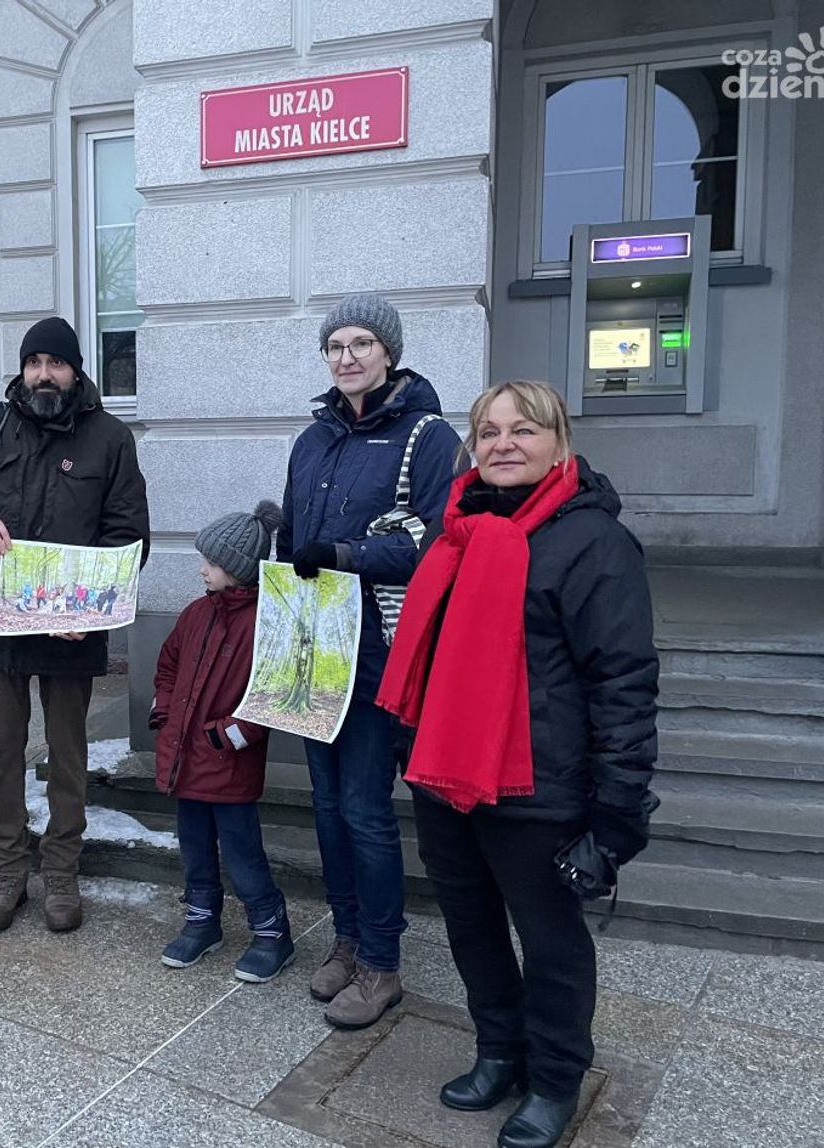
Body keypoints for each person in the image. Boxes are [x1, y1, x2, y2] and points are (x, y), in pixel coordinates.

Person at [376, 381, 659, 1148]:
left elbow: (623, 682)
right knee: (472, 928)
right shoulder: (454, 531)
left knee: (551, 940)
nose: (503, 444)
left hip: (538, 782)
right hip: (445, 773)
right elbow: (427, 656)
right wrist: (407, 745)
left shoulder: (593, 542)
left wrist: (618, 809)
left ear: (559, 441)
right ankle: (499, 1050)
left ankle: (556, 1078)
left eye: (523, 430)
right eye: (489, 431)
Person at [276, 292, 463, 1030]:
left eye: (360, 344)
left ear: (389, 351)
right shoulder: (311, 439)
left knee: (363, 808)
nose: (346, 357)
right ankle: (347, 939)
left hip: (378, 649)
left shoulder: (427, 435)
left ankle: (382, 963)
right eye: (335, 346)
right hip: (314, 646)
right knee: (326, 806)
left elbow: (439, 540)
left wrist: (348, 554)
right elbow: (295, 542)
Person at [0, 317, 150, 933]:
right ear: (23, 370)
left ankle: (61, 872)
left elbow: (128, 535)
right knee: (2, 752)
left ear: (75, 371)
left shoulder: (110, 438)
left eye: (56, 363)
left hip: (69, 630)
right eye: (35, 363)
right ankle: (9, 870)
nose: (44, 374)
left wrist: (90, 612)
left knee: (68, 753)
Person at [152, 500, 293, 982]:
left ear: (236, 568)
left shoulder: (265, 622)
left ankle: (271, 931)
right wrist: (164, 712)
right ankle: (201, 921)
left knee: (241, 852)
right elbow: (169, 664)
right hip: (184, 760)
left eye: (210, 562)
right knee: (194, 846)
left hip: (228, 764)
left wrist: (228, 735)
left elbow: (273, 693)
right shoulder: (196, 614)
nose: (202, 569)